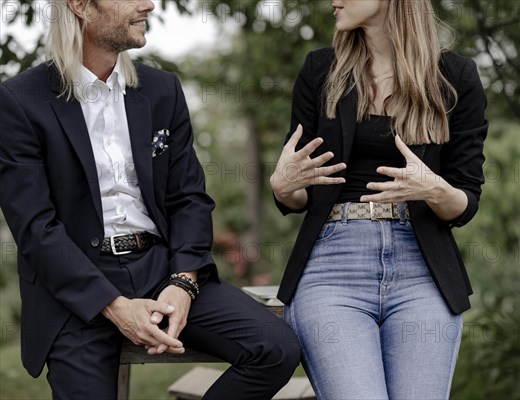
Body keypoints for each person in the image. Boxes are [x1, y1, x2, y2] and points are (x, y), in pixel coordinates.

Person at [0, 0, 301, 398]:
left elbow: (189, 198)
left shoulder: (162, 90)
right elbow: (37, 230)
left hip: (161, 270)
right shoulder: (20, 101)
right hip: (76, 289)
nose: (150, 4)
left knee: (276, 347)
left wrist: (183, 281)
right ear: (79, 6)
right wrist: (114, 306)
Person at [270, 0, 487, 398]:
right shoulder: (321, 71)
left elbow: (465, 201)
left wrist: (433, 188)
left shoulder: (455, 77)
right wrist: (284, 187)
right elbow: (298, 186)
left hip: (423, 271)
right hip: (333, 268)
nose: (333, 1)